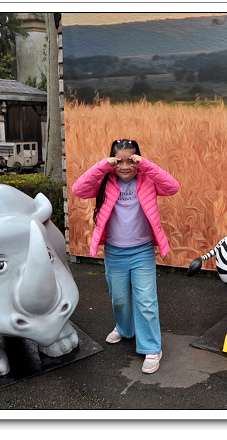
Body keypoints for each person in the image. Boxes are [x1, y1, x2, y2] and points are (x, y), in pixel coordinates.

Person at [71, 139, 180, 374]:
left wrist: (146, 165)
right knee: (119, 299)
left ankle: (152, 347)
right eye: (118, 161)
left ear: (137, 160)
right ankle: (124, 327)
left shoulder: (147, 179)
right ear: (112, 161)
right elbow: (78, 190)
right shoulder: (105, 180)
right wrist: (103, 166)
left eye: (130, 160)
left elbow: (172, 187)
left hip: (142, 251)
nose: (125, 166)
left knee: (146, 302)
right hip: (114, 252)